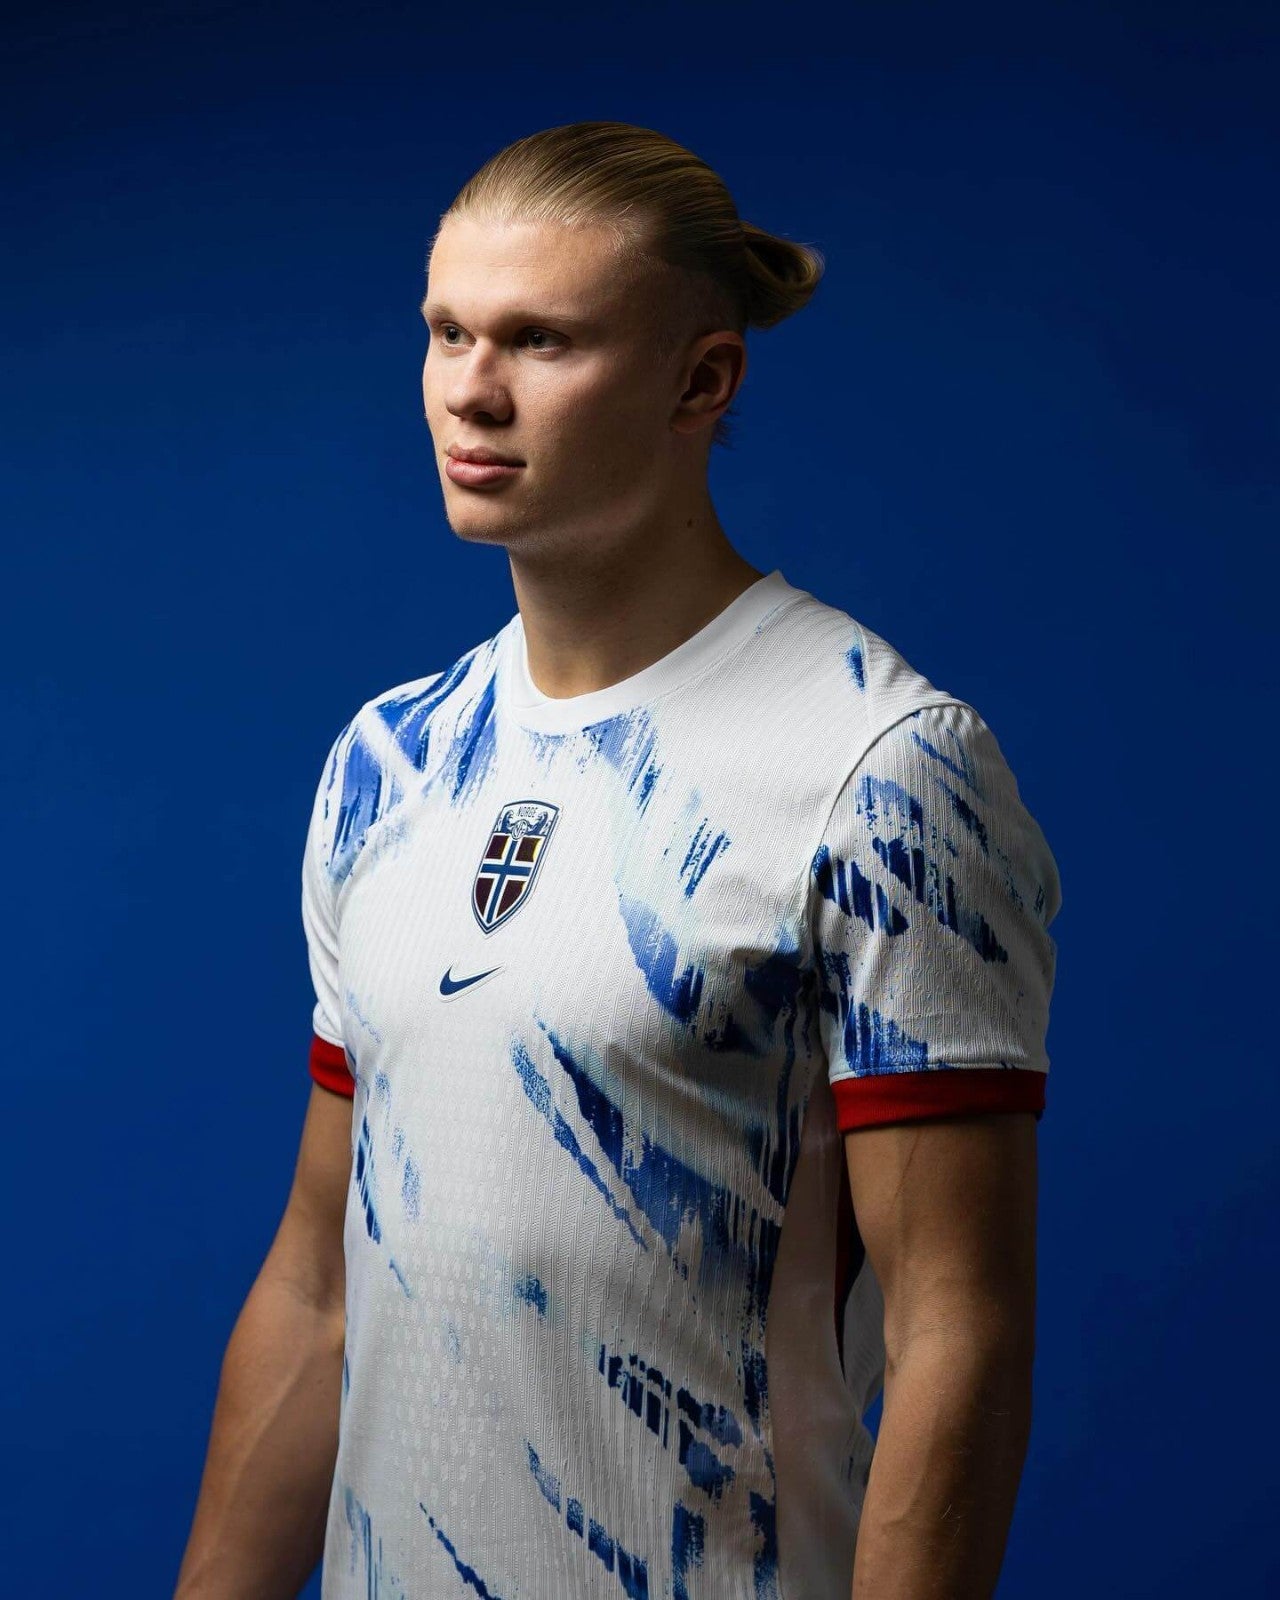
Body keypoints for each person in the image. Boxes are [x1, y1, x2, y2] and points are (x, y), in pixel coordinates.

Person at [175, 120, 1061, 1600]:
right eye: (447, 331)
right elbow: (320, 1285)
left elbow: (957, 1335)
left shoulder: (880, 765)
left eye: (542, 340)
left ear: (701, 382)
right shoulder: (391, 760)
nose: (470, 389)